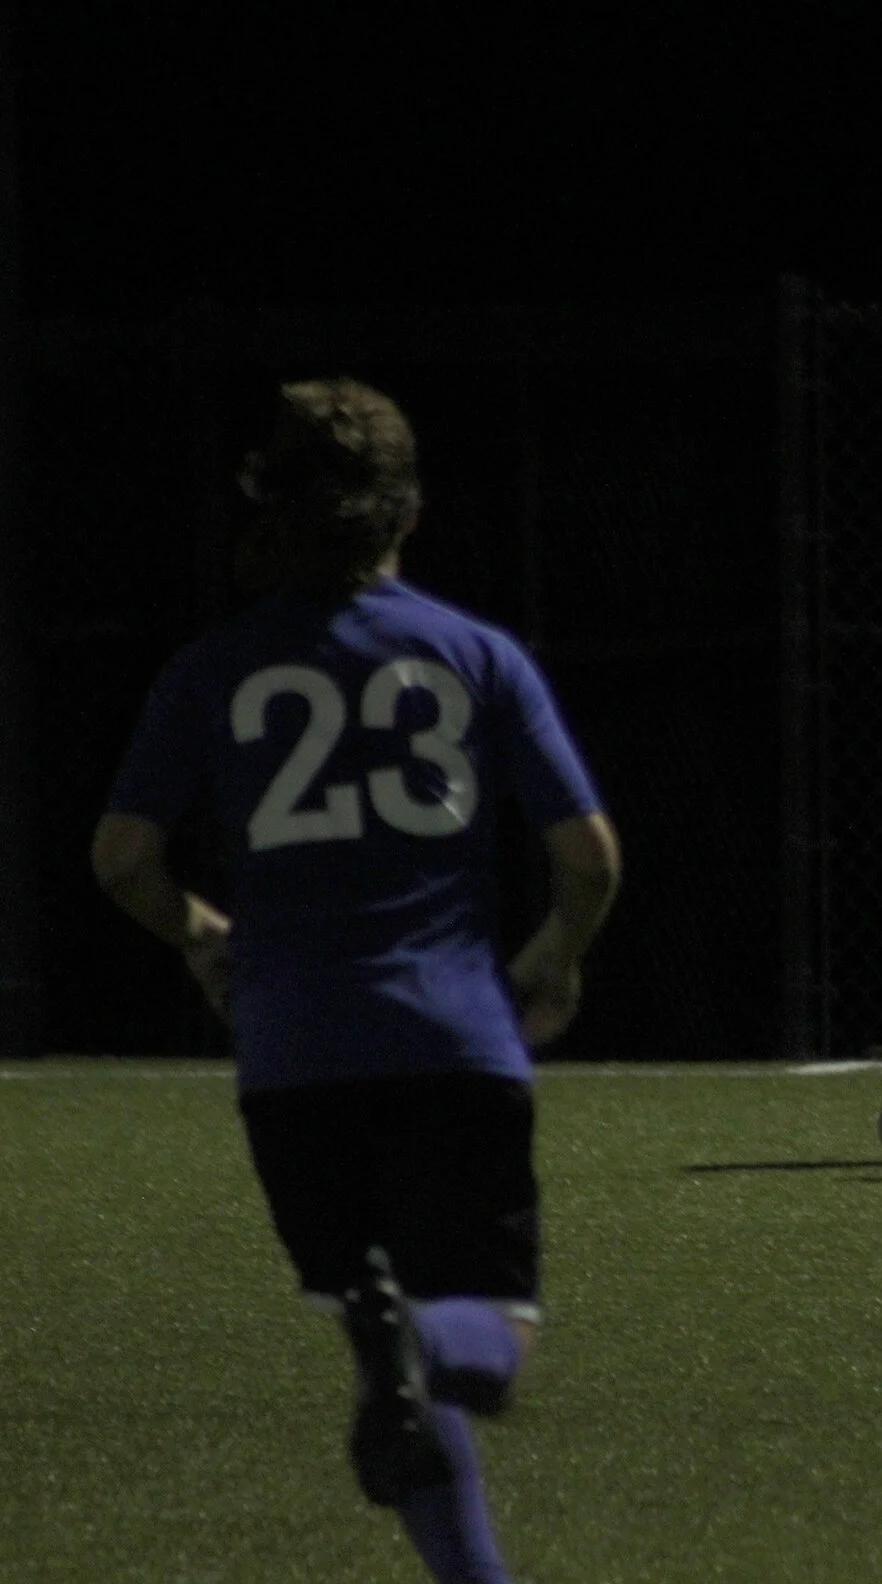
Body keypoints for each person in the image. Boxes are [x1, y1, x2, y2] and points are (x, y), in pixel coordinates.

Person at [91, 379, 621, 1583]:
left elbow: (121, 857)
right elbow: (588, 857)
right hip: (451, 1040)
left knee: (387, 1355)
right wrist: (554, 958)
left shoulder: (214, 666)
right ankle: (422, 1346)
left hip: (290, 1061)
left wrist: (200, 933)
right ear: (409, 513)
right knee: (487, 1340)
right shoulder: (474, 654)